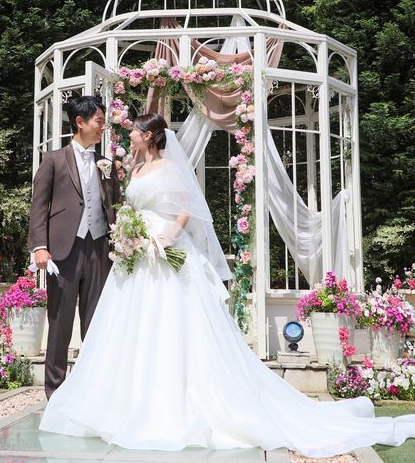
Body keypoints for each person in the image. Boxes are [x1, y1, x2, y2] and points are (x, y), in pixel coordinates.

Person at [39, 112, 415, 457]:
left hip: (166, 254)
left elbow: (187, 208)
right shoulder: (134, 168)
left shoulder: (170, 167)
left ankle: (177, 403)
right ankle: (125, 402)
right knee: (131, 330)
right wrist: (129, 235)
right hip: (136, 258)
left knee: (172, 328)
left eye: (135, 131)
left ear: (149, 135)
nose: (130, 135)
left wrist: (168, 236)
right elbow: (126, 209)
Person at [27, 96, 121, 399]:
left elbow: (115, 206)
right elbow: (39, 207)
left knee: (96, 322)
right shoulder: (53, 160)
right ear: (80, 122)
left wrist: (122, 240)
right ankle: (54, 393)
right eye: (99, 121)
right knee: (60, 322)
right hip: (63, 252)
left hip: (100, 249)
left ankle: (92, 392)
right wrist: (40, 247)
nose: (103, 127)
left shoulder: (107, 164)